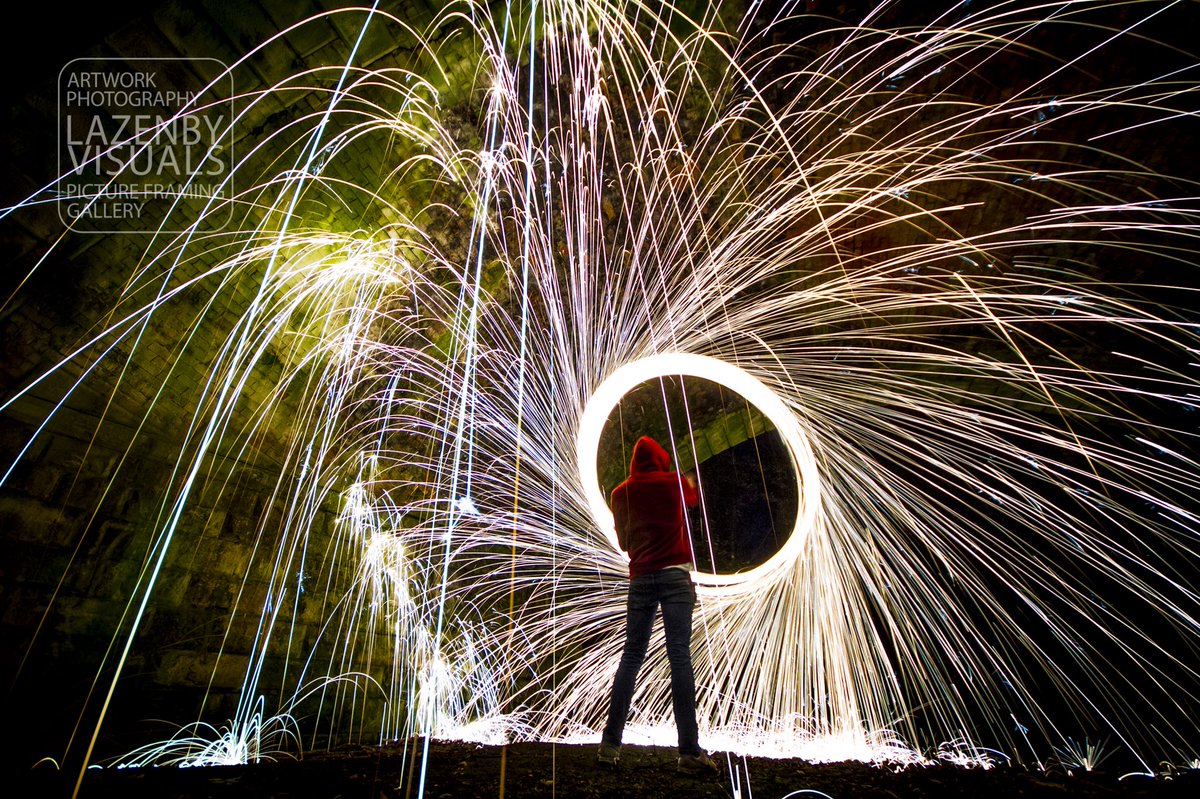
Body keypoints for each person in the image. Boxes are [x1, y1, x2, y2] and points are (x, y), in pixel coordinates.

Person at [597, 435, 718, 773]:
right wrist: (689, 480)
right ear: (661, 459)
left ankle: (609, 746)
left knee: (631, 656)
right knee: (679, 655)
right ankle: (689, 753)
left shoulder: (619, 493)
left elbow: (623, 543)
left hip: (641, 579)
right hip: (676, 577)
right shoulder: (674, 482)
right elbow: (694, 496)